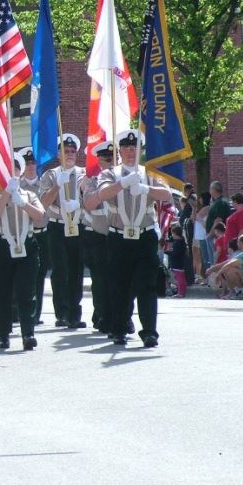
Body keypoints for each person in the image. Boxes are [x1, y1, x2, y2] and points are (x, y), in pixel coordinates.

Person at [96, 129, 172, 347]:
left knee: (146, 285)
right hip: (119, 237)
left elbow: (167, 195)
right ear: (120, 150)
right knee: (119, 285)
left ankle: (149, 332)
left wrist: (145, 187)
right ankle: (119, 329)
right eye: (127, 147)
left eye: (135, 147)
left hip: (144, 235)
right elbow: (102, 194)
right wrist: (123, 183)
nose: (131, 151)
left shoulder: (150, 172)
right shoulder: (110, 173)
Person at [0, 154, 47, 349]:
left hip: (27, 246)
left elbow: (40, 216)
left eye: (14, 169)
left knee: (26, 292)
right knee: (1, 292)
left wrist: (22, 202)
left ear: (20, 173)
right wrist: (6, 193)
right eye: (6, 170)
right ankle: (3, 334)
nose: (11, 173)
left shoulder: (30, 195)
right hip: (2, 247)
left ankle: (28, 333)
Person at [39, 133, 86, 328]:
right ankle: (62, 312)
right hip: (57, 225)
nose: (69, 154)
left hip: (78, 224)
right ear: (58, 154)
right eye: (65, 151)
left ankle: (75, 312)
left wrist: (78, 203)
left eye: (72, 151)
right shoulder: (50, 175)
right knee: (60, 270)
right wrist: (58, 184)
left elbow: (91, 198)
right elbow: (43, 203)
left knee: (76, 269)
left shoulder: (83, 174)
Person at [81, 140, 115, 333]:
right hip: (98, 234)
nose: (110, 162)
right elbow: (89, 204)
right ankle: (102, 315)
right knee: (101, 279)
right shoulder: (92, 182)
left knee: (120, 278)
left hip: (117, 233)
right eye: (106, 159)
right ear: (99, 161)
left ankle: (121, 316)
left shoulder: (121, 178)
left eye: (112, 159)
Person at [17, 146, 49, 325]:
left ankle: (35, 314)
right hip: (21, 233)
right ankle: (16, 311)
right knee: (19, 276)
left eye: (33, 162)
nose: (30, 165)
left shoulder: (43, 183)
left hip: (41, 233)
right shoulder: (17, 185)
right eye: (27, 162)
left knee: (39, 275)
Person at [165, 224, 188, 298]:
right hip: (180, 262)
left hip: (177, 262)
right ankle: (182, 292)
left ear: (175, 233)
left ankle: (180, 292)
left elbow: (175, 253)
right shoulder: (181, 241)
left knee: (179, 278)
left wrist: (167, 252)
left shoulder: (178, 242)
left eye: (172, 233)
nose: (172, 235)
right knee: (181, 277)